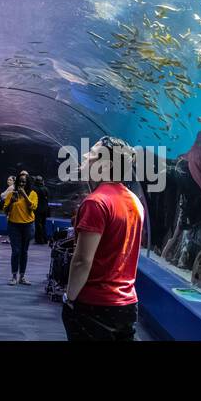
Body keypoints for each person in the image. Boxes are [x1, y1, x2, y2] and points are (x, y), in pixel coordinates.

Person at [62, 137, 144, 341]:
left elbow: (82, 260)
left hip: (95, 305)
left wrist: (69, 298)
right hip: (127, 305)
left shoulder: (96, 203)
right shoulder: (136, 202)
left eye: (92, 153)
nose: (85, 156)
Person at [1, 172, 38, 284]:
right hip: (14, 225)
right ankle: (13, 276)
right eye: (20, 182)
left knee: (24, 251)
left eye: (24, 182)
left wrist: (25, 196)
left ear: (28, 183)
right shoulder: (11, 194)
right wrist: (11, 201)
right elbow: (5, 211)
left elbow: (33, 207)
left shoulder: (33, 193)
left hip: (28, 225)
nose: (22, 184)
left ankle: (22, 277)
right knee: (16, 251)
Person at [31, 175, 50, 245]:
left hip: (37, 209)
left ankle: (39, 239)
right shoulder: (46, 189)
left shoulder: (34, 189)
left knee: (37, 224)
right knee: (43, 224)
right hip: (45, 209)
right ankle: (45, 239)